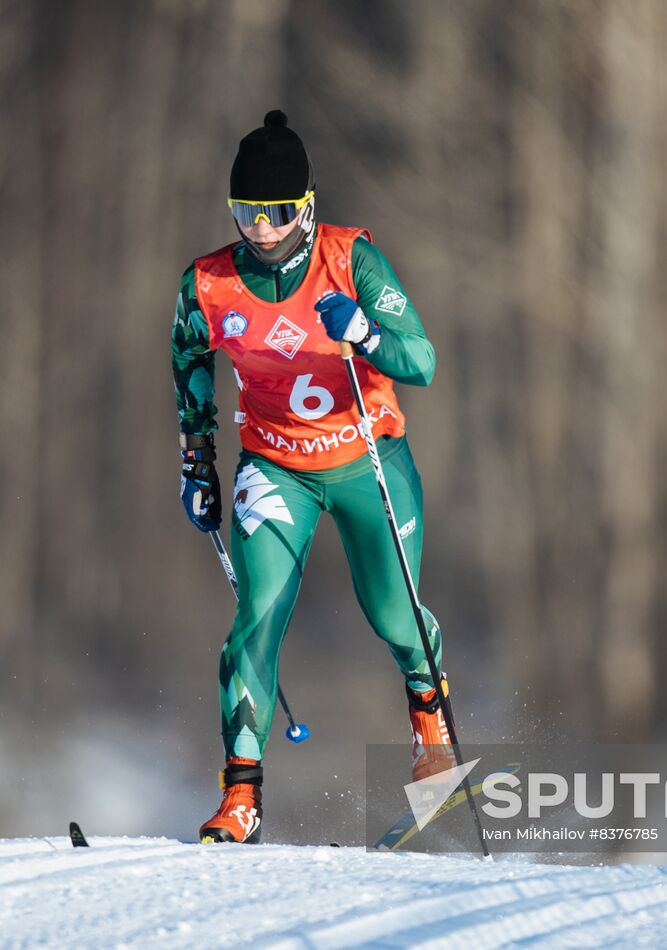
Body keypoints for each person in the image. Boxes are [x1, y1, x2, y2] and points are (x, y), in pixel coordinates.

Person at [172, 110, 451, 844]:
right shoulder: (207, 283)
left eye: (275, 213)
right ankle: (241, 795)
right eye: (245, 213)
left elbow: (421, 360)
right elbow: (189, 365)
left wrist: (362, 330)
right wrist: (195, 459)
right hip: (275, 466)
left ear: (307, 206)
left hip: (367, 459)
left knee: (395, 616)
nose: (259, 229)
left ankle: (430, 721)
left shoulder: (350, 259)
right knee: (256, 618)